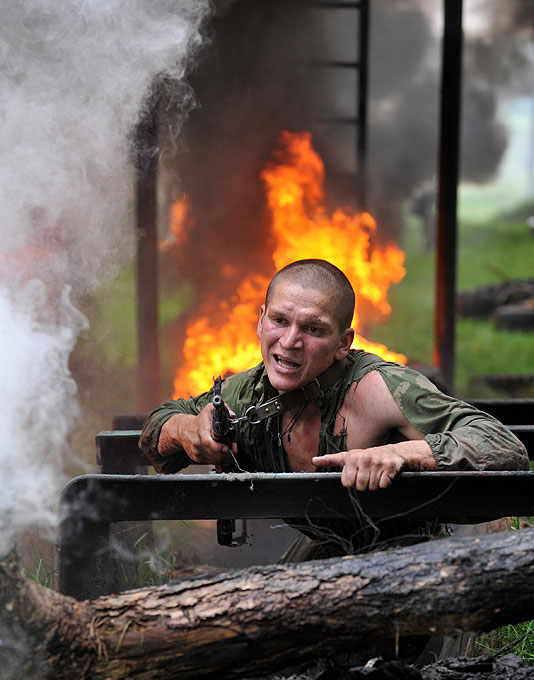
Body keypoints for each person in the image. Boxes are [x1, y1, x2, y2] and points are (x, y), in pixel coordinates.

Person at [139, 259, 528, 557]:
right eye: (279, 320)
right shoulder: (246, 394)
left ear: (343, 343)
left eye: (313, 329)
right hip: (326, 555)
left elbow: (504, 446)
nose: (289, 341)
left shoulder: (379, 388)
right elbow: (158, 425)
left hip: (418, 560)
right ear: (260, 321)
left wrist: (399, 454)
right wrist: (187, 431)